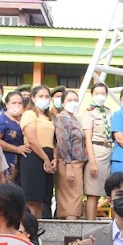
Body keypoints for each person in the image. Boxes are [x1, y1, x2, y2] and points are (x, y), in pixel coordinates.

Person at [19, 85, 57, 219]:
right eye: (41, 96)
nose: (44, 99)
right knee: (32, 199)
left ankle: (39, 226)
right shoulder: (29, 114)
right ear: (33, 98)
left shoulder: (49, 117)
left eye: (47, 97)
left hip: (49, 156)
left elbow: (54, 141)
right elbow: (32, 139)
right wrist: (45, 158)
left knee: (42, 199)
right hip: (34, 157)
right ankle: (29, 226)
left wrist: (54, 158)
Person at [54, 88, 89, 220]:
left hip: (78, 163)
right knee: (71, 201)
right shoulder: (63, 119)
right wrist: (68, 165)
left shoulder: (73, 118)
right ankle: (70, 228)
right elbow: (63, 143)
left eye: (75, 100)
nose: (73, 102)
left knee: (74, 198)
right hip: (70, 163)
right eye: (69, 100)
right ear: (63, 102)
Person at [82, 82, 115, 219]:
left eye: (103, 93)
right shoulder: (89, 112)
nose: (100, 96)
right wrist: (92, 161)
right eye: (97, 93)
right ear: (92, 95)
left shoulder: (109, 112)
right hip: (96, 151)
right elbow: (87, 138)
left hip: (109, 151)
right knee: (93, 192)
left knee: (110, 191)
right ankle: (90, 223)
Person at [0, 91, 29, 183]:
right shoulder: (2, 120)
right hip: (7, 161)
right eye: (13, 103)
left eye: (20, 103)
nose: (17, 105)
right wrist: (17, 149)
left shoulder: (24, 118)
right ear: (7, 104)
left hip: (23, 162)